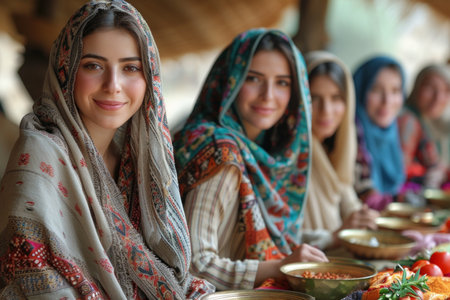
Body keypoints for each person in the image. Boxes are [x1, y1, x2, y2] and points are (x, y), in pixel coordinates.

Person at [0, 1, 214, 299]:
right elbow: (34, 278)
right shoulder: (40, 155)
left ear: (149, 78)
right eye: (93, 66)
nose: (113, 84)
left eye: (130, 67)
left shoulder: (140, 159)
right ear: (66, 70)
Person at [173, 28, 328, 291]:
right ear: (229, 81)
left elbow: (276, 236)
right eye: (253, 78)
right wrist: (282, 267)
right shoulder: (220, 152)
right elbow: (195, 264)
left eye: (282, 82)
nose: (268, 95)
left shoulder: (261, 150)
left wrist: (333, 238)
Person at [301, 51, 379, 250]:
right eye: (315, 98)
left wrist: (364, 218)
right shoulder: (291, 157)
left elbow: (348, 201)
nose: (326, 110)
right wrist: (336, 235)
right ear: (299, 100)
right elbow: (278, 240)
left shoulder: (336, 149)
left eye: (336, 98)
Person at [352, 55, 406, 210]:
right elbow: (365, 195)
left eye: (395, 91)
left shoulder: (395, 130)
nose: (387, 101)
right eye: (376, 89)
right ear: (360, 89)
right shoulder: (350, 132)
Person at [398, 64, 450, 189]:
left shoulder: (438, 125)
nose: (438, 97)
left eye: (446, 90)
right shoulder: (408, 120)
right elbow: (401, 171)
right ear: (417, 87)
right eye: (430, 88)